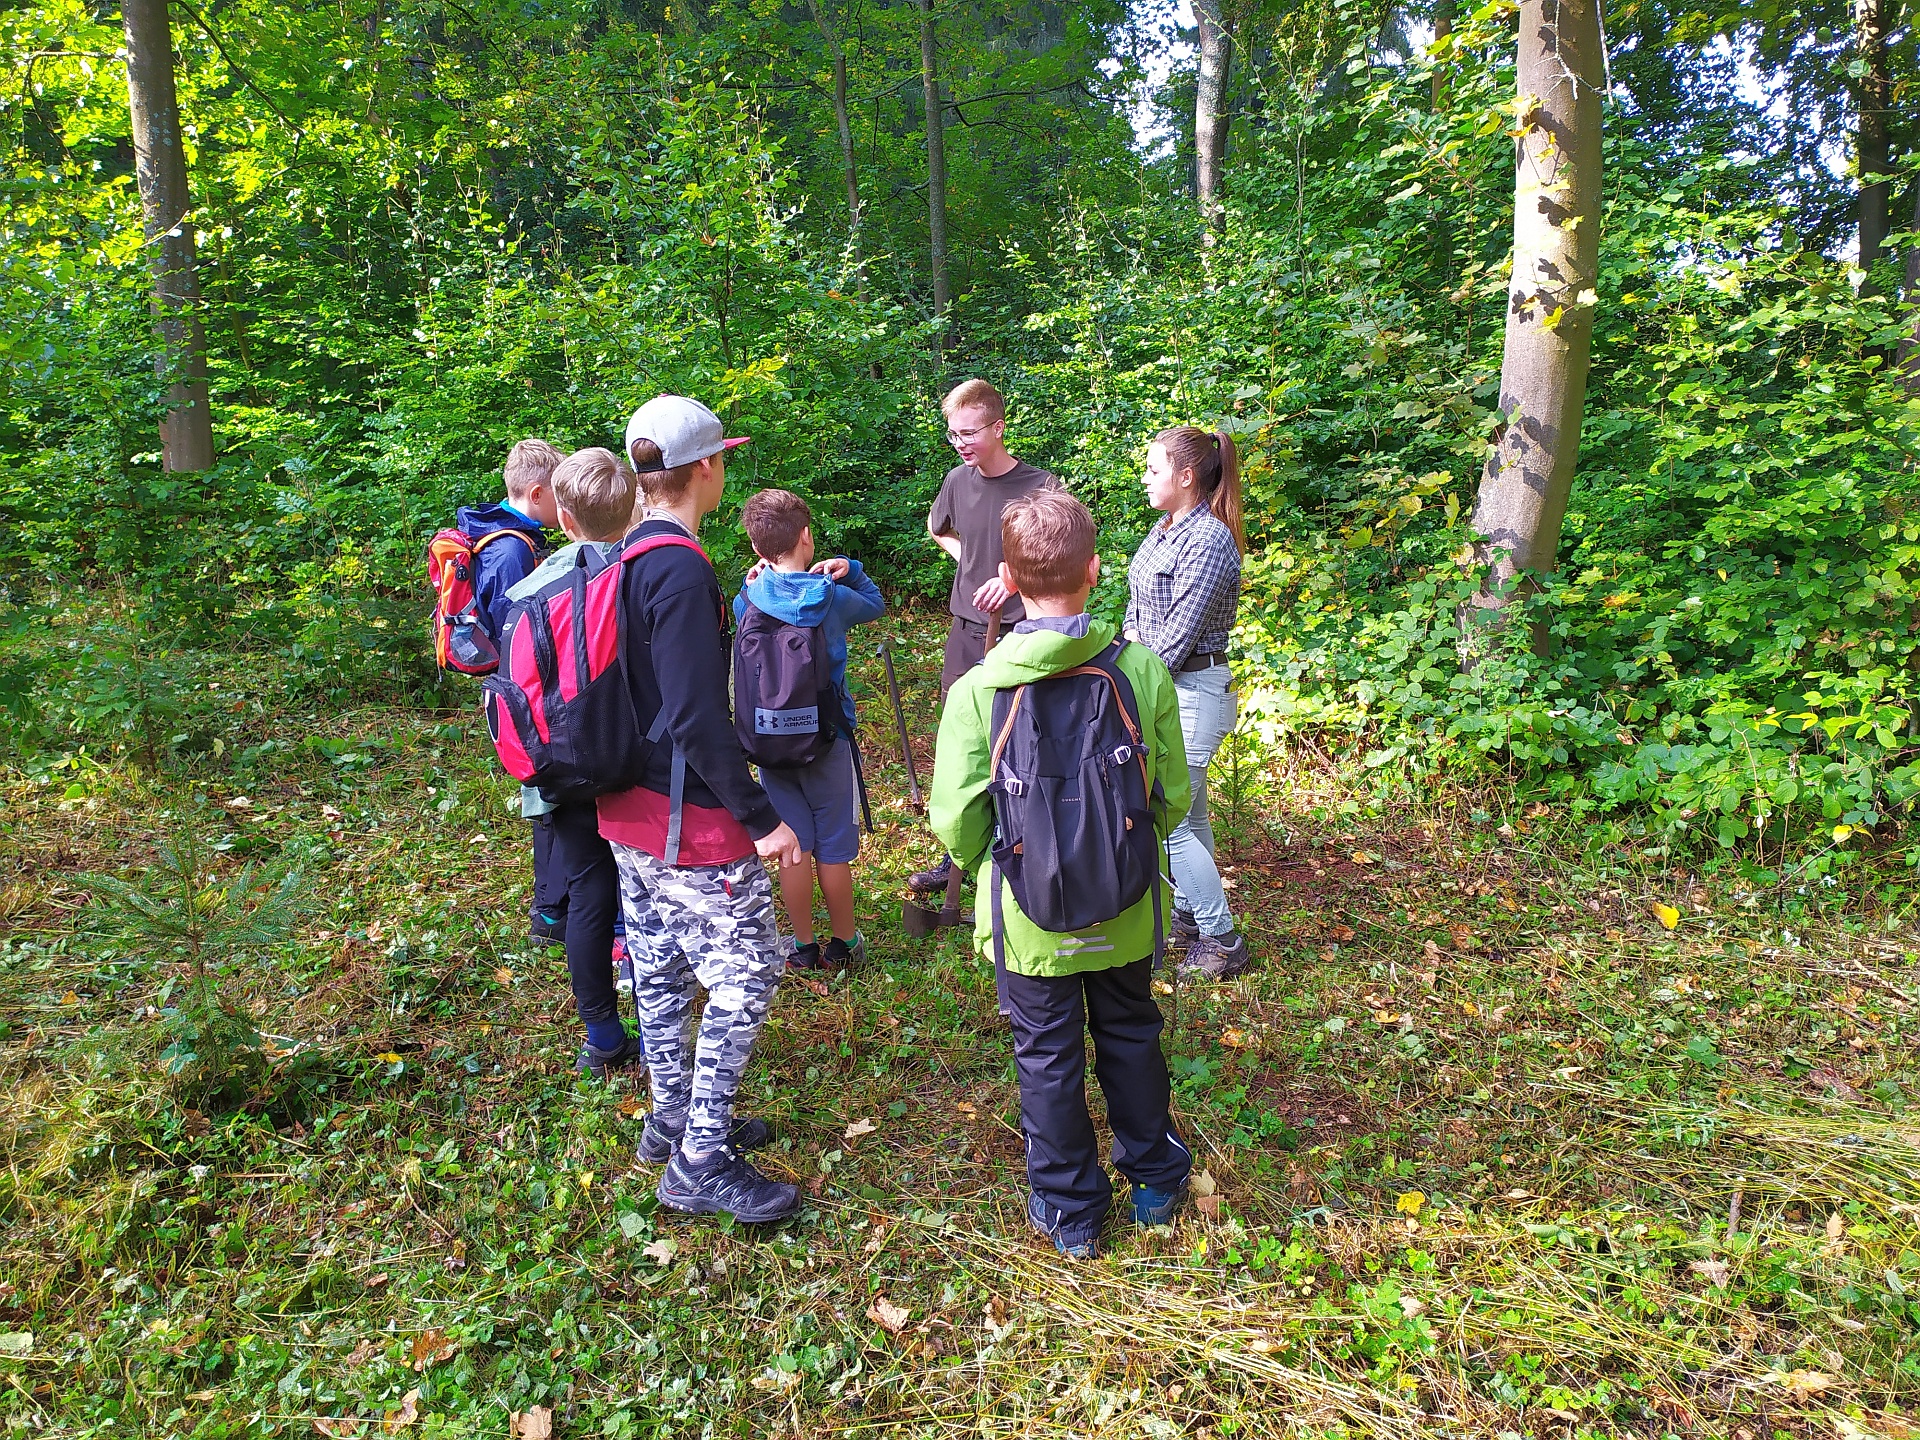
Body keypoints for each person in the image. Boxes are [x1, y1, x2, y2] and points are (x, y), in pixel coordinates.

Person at [929, 490, 1193, 1258]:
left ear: (1008, 579)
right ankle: (1153, 1184)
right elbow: (1171, 793)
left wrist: (1004, 867)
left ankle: (1071, 1212)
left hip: (1028, 919)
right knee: (1131, 1033)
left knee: (1046, 1056)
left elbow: (956, 816)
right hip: (1126, 907)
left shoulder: (979, 690)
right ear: (1095, 570)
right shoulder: (1139, 671)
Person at [602, 394, 806, 1225]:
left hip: (624, 806)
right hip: (683, 817)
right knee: (749, 971)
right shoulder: (681, 568)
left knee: (658, 968)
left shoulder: (622, 551)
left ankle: (672, 1119)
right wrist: (760, 818)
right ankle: (700, 1159)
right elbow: (694, 714)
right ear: (708, 468)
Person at [503, 447, 640, 1079]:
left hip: (558, 768)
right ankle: (658, 1016)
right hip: (631, 765)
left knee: (588, 893)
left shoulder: (529, 589)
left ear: (562, 517)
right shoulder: (640, 577)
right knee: (643, 888)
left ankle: (601, 1035)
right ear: (633, 506)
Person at [910, 378, 1059, 896]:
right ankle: (957, 855)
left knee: (1021, 741)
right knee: (964, 741)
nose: (961, 443)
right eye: (953, 434)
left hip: (1023, 633)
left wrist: (1013, 579)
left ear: (998, 427)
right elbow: (939, 528)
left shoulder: (1040, 486)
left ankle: (1023, 848)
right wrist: (970, 563)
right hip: (966, 631)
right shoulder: (957, 480)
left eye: (970, 433)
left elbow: (1061, 551)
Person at [734, 488, 886, 973]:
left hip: (769, 741)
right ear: (806, 536)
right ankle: (844, 944)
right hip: (827, 737)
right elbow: (875, 603)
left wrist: (753, 580)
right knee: (833, 847)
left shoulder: (747, 600)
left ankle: (802, 946)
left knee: (794, 845)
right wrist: (851, 568)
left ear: (757, 548)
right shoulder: (832, 598)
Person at [1126, 426, 1251, 981]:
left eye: (1153, 470)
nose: (1145, 479)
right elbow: (1137, 609)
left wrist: (1125, 679)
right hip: (1164, 687)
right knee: (1190, 816)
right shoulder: (1164, 530)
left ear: (1185, 476)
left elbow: (1177, 637)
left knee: (1167, 817)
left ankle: (1223, 939)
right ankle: (1188, 914)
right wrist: (1126, 656)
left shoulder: (1208, 540)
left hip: (1193, 692)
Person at [455, 437, 568, 946]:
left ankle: (555, 905)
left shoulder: (507, 539)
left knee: (550, 797)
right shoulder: (510, 552)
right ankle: (550, 913)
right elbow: (518, 632)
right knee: (548, 798)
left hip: (521, 692)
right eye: (558, 495)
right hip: (525, 696)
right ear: (537, 493)